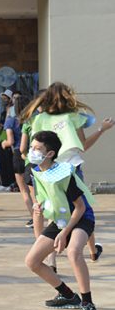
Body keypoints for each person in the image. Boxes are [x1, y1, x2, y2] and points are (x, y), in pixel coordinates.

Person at [22, 82, 113, 263]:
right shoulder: (73, 117)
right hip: (70, 169)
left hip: (44, 169)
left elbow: (33, 146)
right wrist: (101, 129)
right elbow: (83, 146)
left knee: (47, 209)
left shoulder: (38, 119)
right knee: (82, 211)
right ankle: (93, 251)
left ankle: (50, 258)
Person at [24, 131, 98, 310]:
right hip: (60, 220)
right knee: (32, 261)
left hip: (81, 218)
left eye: (37, 148)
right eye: (31, 147)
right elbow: (42, 202)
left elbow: (80, 207)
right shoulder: (35, 171)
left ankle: (88, 304)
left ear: (50, 154)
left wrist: (64, 233)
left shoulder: (64, 173)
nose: (32, 151)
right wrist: (38, 211)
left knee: (74, 252)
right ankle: (67, 295)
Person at [3, 95, 33, 225]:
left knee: (24, 190)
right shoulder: (34, 120)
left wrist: (4, 143)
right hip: (35, 154)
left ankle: (34, 216)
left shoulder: (11, 121)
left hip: (18, 154)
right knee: (35, 190)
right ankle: (42, 215)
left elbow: (10, 141)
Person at [0, 89, 16, 191]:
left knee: (9, 162)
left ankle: (11, 183)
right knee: (2, 161)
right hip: (2, 138)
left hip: (10, 138)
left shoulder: (14, 110)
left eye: (6, 98)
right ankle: (4, 182)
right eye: (3, 98)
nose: (4, 100)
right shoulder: (3, 112)